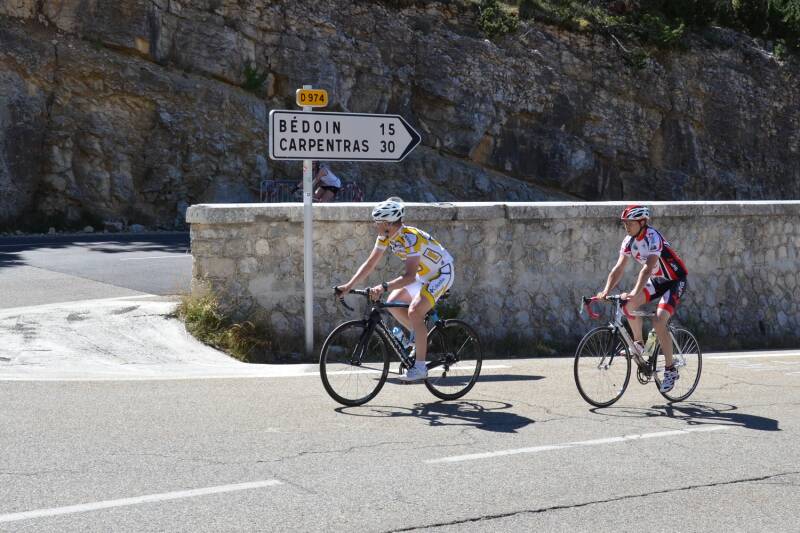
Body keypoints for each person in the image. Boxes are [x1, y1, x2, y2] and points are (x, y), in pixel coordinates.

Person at [336, 198, 454, 382]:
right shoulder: (386, 237)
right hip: (423, 275)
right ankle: (419, 337)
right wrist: (348, 286)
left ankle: (421, 367)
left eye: (378, 223)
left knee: (415, 311)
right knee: (392, 303)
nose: (376, 226)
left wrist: (383, 286)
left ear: (388, 224)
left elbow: (409, 276)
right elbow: (370, 264)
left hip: (441, 273)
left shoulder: (410, 238)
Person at [596, 205, 688, 393]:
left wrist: (635, 290)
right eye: (625, 224)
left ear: (642, 222)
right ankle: (638, 344)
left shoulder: (653, 237)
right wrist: (605, 291)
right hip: (658, 281)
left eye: (630, 223)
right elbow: (619, 268)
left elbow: (647, 268)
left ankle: (670, 369)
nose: (626, 227)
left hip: (674, 280)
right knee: (627, 305)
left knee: (659, 319)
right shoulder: (628, 241)